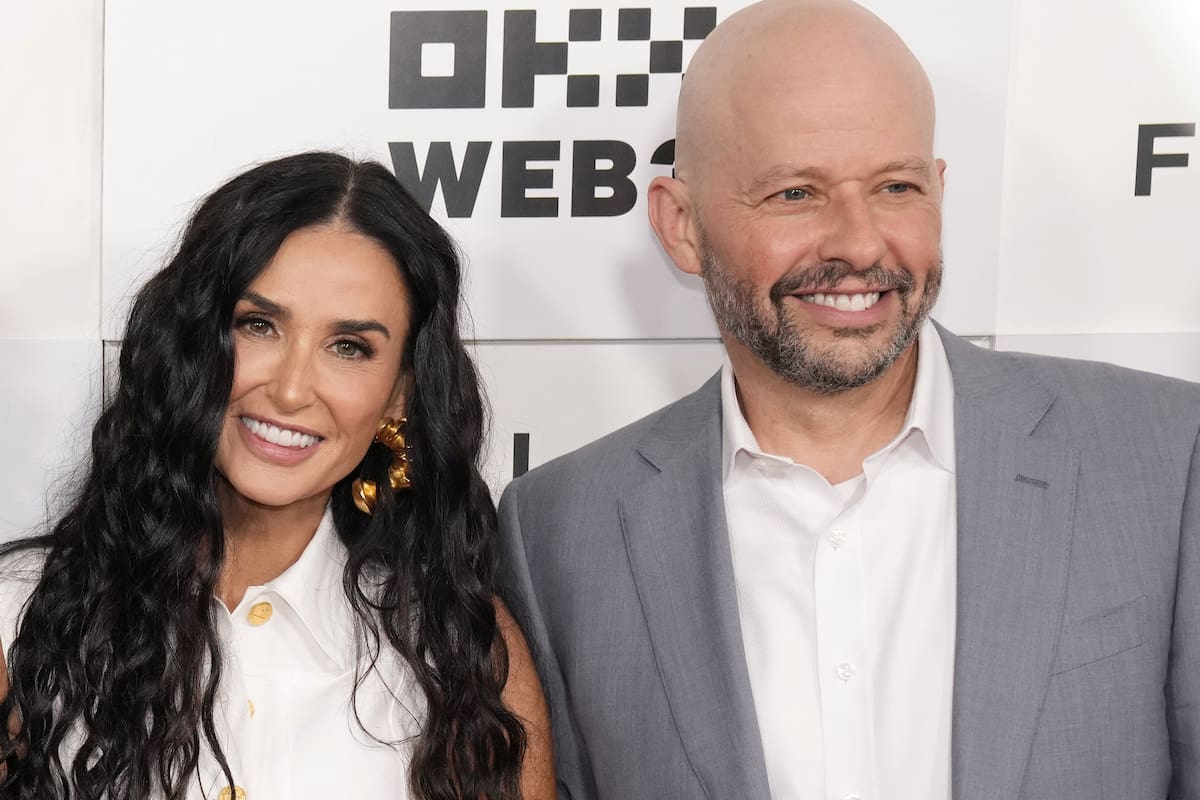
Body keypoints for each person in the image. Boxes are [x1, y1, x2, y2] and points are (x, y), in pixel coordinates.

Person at [496, 1, 1200, 798]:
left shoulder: (1165, 463)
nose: (861, 244)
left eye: (895, 187)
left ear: (938, 190)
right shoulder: (559, 532)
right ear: (682, 225)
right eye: (796, 194)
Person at [0, 152, 554, 800]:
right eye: (259, 325)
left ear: (401, 392)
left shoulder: (459, 646)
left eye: (350, 347)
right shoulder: (22, 614)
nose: (291, 390)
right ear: (191, 343)